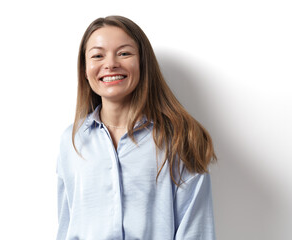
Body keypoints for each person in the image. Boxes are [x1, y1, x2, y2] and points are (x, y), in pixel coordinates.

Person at [56, 15, 217, 240]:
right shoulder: (72, 141)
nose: (110, 64)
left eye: (124, 53)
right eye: (97, 55)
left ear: (143, 63)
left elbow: (196, 230)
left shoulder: (179, 137)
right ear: (85, 69)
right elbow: (67, 226)